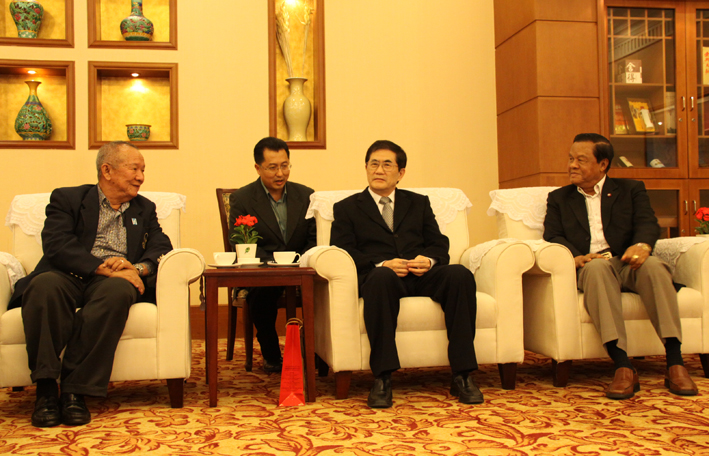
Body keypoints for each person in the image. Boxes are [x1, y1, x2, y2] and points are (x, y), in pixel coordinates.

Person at [8, 141, 173, 427]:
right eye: (134, 169)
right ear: (107, 171)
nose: (141, 177)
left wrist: (136, 268)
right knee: (44, 287)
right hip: (68, 273)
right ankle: (46, 389)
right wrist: (100, 267)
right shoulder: (68, 198)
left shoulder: (144, 208)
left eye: (143, 170)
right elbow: (57, 244)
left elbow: (161, 245)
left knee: (120, 291)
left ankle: (74, 391)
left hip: (114, 280)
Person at [543, 133, 698, 400]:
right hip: (592, 264)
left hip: (626, 260)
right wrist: (575, 257)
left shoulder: (630, 189)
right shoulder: (559, 198)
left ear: (603, 164)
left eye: (581, 160)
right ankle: (622, 365)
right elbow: (553, 235)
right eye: (570, 159)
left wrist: (642, 245)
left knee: (654, 267)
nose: (572, 165)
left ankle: (675, 362)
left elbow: (648, 223)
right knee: (597, 270)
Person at [329, 140, 482, 408]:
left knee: (460, 275)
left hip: (420, 274)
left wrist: (429, 260)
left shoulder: (418, 203)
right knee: (380, 279)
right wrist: (381, 264)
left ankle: (462, 375)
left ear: (401, 173)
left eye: (387, 164)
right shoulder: (347, 208)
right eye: (374, 164)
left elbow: (438, 242)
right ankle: (382, 378)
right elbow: (343, 250)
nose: (379, 170)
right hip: (382, 277)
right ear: (366, 167)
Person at [228, 137, 316, 373]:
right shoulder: (243, 199)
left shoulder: (307, 195)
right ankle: (271, 354)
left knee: (329, 286)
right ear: (258, 168)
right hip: (263, 270)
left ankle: (316, 352)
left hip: (301, 267)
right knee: (262, 292)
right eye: (272, 167)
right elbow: (240, 241)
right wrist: (275, 264)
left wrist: (300, 262)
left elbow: (314, 238)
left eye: (285, 166)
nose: (280, 173)